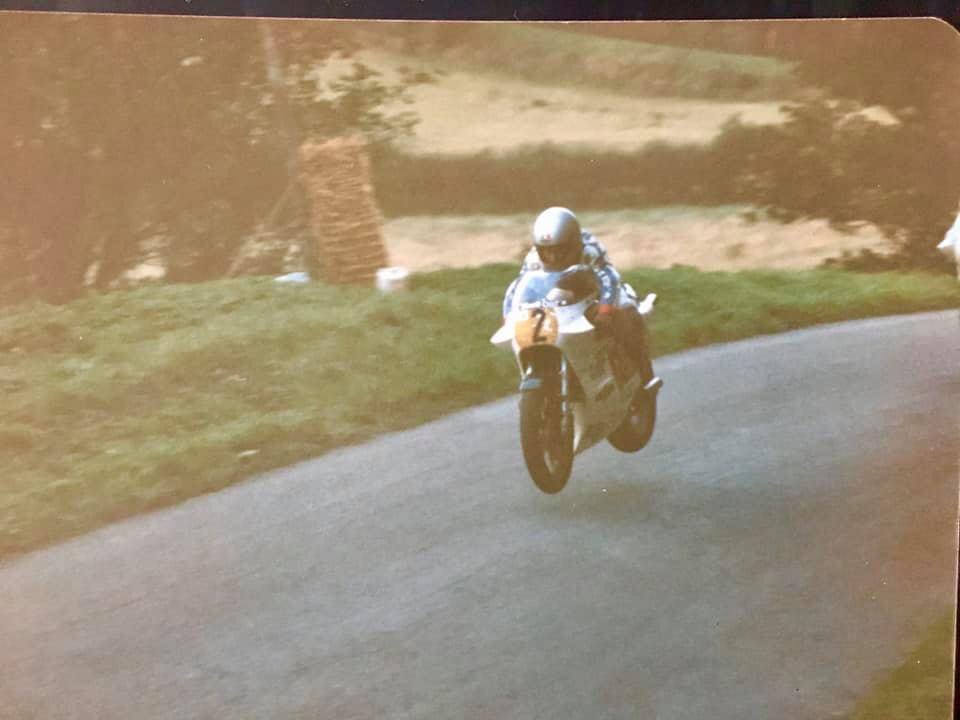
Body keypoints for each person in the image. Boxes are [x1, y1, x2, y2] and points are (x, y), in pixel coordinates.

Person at [503, 206, 657, 386]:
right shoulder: (533, 258)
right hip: (561, 293)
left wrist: (605, 309)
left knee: (626, 311)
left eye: (559, 250)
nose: (552, 256)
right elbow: (519, 286)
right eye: (547, 251)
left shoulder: (590, 249)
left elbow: (609, 278)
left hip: (595, 289)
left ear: (573, 243)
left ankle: (644, 373)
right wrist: (509, 317)